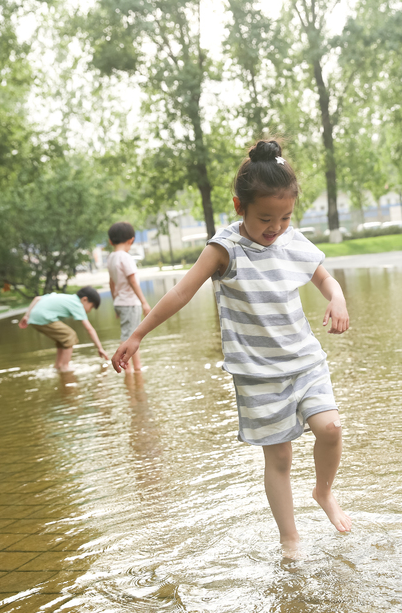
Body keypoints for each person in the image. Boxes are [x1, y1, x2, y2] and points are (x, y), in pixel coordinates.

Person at [111, 140, 352, 555]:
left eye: (285, 217)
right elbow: (182, 293)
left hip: (304, 361)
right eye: (265, 218)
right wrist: (138, 333)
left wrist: (338, 296)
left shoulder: (292, 240)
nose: (275, 227)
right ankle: (289, 538)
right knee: (278, 459)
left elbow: (325, 278)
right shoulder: (225, 248)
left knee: (330, 428)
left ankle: (323, 492)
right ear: (239, 205)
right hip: (257, 373)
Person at [19, 287, 108, 371]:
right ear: (84, 299)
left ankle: (57, 367)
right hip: (44, 318)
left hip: (34, 317)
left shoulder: (67, 297)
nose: (89, 310)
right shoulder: (77, 304)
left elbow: (37, 298)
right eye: (91, 307)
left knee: (62, 339)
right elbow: (89, 329)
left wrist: (27, 316)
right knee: (69, 335)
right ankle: (65, 367)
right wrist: (100, 348)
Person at [107, 221, 152, 373]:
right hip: (130, 303)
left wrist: (115, 303)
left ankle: (134, 367)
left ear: (110, 241)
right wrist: (144, 302)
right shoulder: (125, 258)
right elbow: (133, 281)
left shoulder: (111, 258)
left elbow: (111, 283)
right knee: (131, 337)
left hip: (120, 302)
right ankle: (131, 369)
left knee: (131, 335)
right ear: (131, 240)